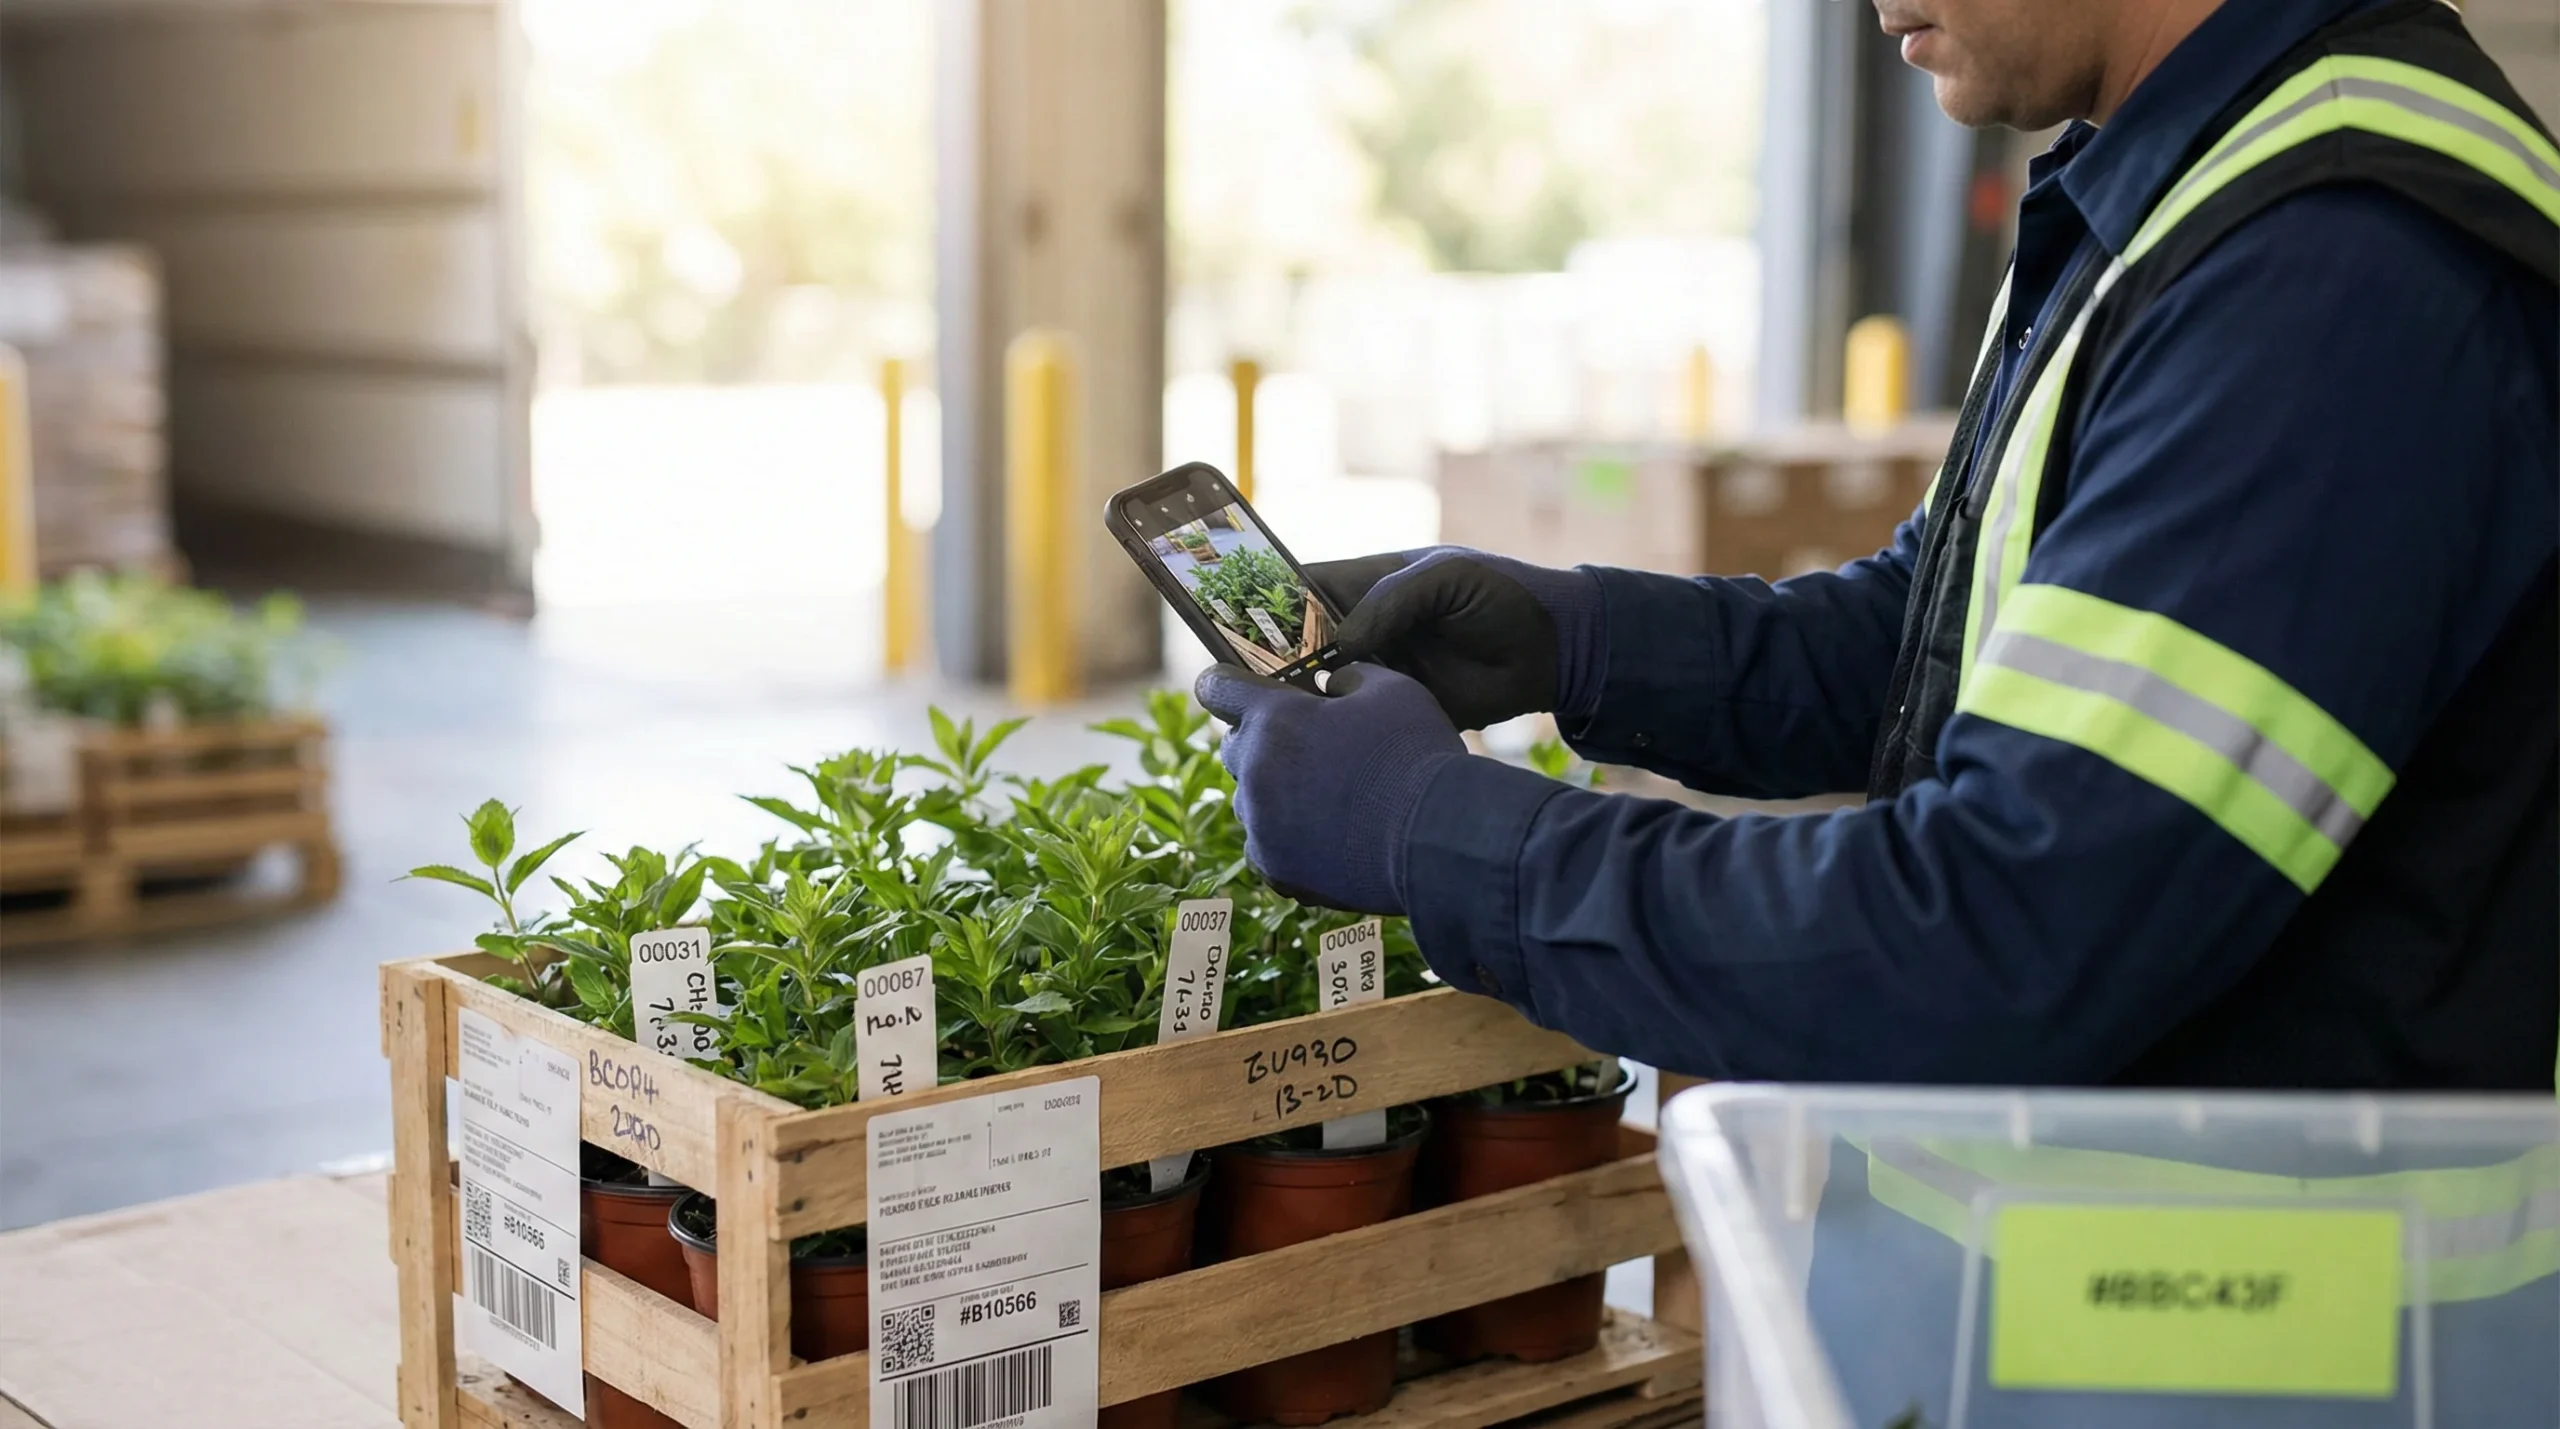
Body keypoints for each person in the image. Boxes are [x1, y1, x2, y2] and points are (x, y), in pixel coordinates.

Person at [1199, 6, 2558, 1417]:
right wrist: (1580, 639)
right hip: (2119, 1320)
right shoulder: (2192, 183)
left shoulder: (2330, 274)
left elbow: (1995, 935)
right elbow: (1954, 641)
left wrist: (1443, 835)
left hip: (2279, 1354)